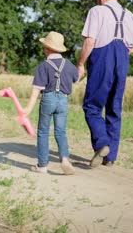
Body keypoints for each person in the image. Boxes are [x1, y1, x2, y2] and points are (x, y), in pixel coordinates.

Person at [78, 0, 133, 167]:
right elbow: (131, 49)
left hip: (102, 59)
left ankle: (102, 143)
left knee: (92, 106)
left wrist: (81, 63)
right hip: (122, 60)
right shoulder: (130, 16)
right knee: (114, 108)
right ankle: (110, 157)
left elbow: (90, 41)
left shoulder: (96, 11)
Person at [22, 31, 79, 175]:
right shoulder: (69, 65)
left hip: (48, 99)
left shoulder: (43, 66)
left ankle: (42, 166)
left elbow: (36, 91)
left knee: (43, 132)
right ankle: (65, 159)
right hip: (63, 100)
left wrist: (28, 108)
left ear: (47, 49)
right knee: (60, 132)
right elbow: (76, 79)